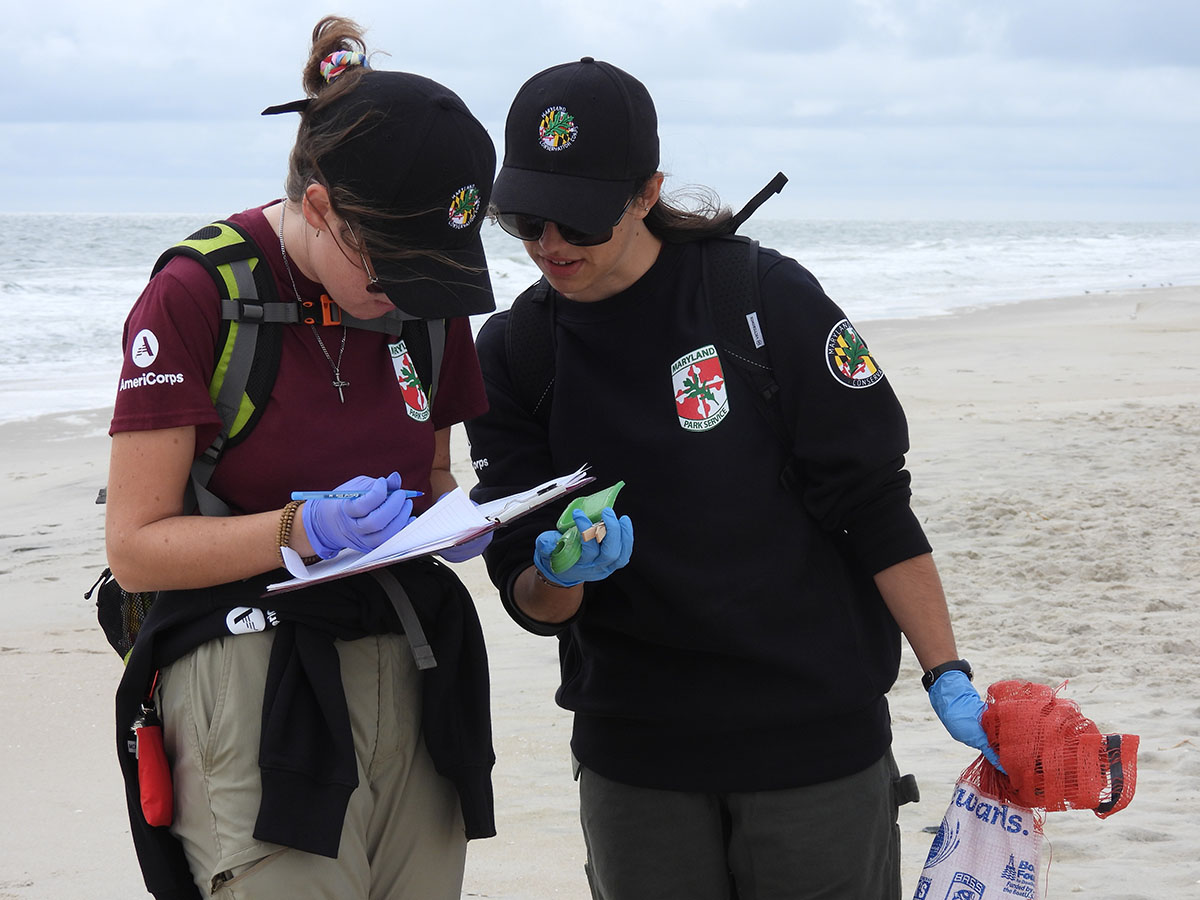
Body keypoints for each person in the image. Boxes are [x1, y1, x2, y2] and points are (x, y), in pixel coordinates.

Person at [466, 57, 1001, 899]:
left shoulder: (760, 298)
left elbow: (871, 502)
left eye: (577, 220)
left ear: (646, 193)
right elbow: (529, 597)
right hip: (635, 760)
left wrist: (945, 672)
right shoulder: (515, 352)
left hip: (813, 747)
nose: (550, 246)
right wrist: (557, 572)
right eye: (524, 220)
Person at [105, 17, 498, 900]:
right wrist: (297, 528)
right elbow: (132, 548)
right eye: (392, 270)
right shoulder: (196, 293)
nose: (410, 295)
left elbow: (432, 475)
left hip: (410, 658)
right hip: (249, 667)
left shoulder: (428, 300)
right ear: (320, 208)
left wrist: (467, 521)